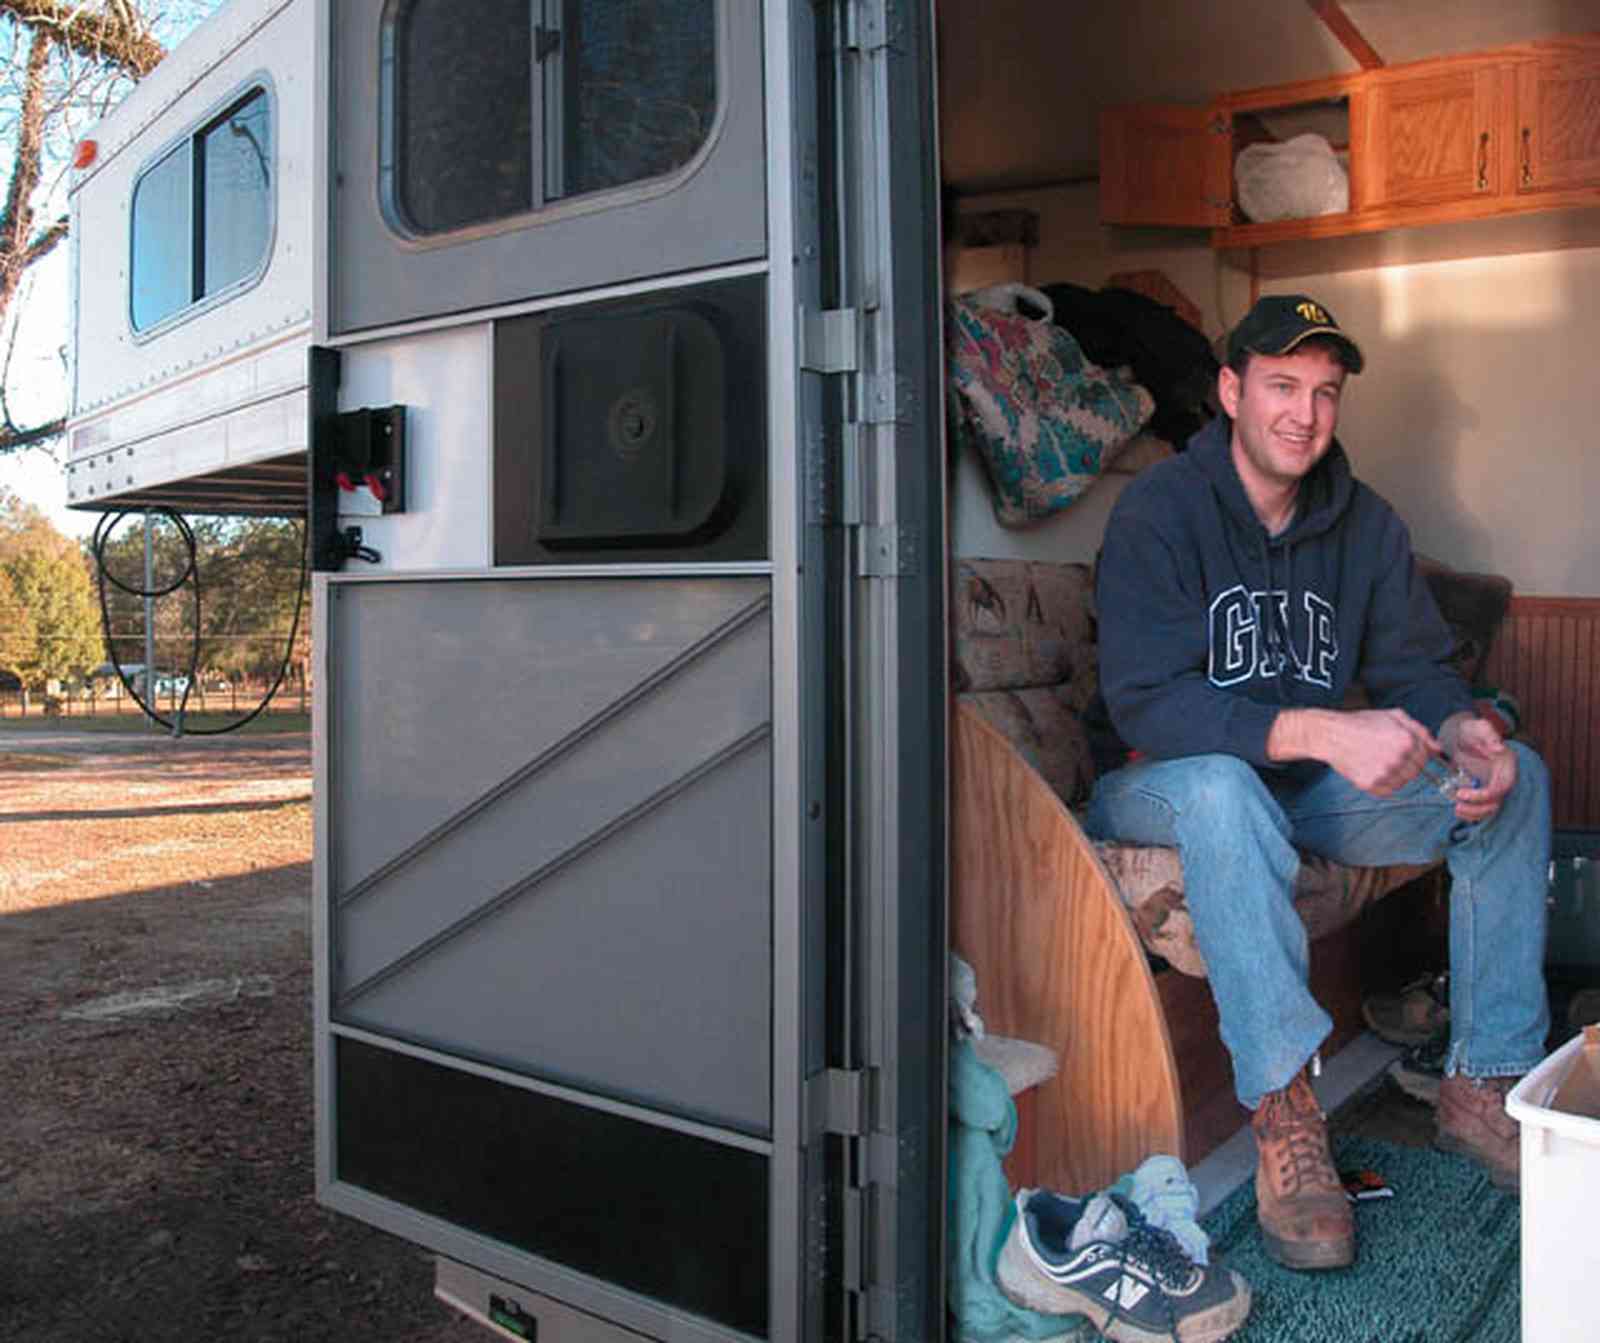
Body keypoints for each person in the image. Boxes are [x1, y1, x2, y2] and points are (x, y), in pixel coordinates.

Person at [1083, 294, 1550, 1272]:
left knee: (1516, 779)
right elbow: (1146, 705)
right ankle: (1285, 1115)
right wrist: (1319, 726)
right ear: (1230, 391)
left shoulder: (1364, 524)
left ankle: (1480, 1081)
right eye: (1281, 385)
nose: (1302, 412)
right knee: (1221, 786)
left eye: (1323, 392)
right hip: (1162, 781)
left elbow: (1418, 668)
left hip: (1299, 790)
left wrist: (1461, 725)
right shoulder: (1159, 511)